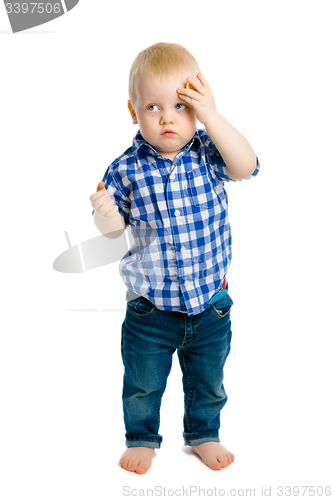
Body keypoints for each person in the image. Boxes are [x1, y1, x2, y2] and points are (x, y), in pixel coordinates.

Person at [90, 42, 260, 474]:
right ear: (133, 111)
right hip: (150, 310)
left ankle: (203, 433)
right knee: (142, 384)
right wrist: (105, 215)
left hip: (210, 305)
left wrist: (214, 117)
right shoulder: (126, 168)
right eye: (153, 106)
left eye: (182, 107)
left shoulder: (208, 151)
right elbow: (114, 231)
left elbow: (246, 166)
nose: (167, 117)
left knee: (209, 381)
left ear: (198, 110)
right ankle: (143, 437)